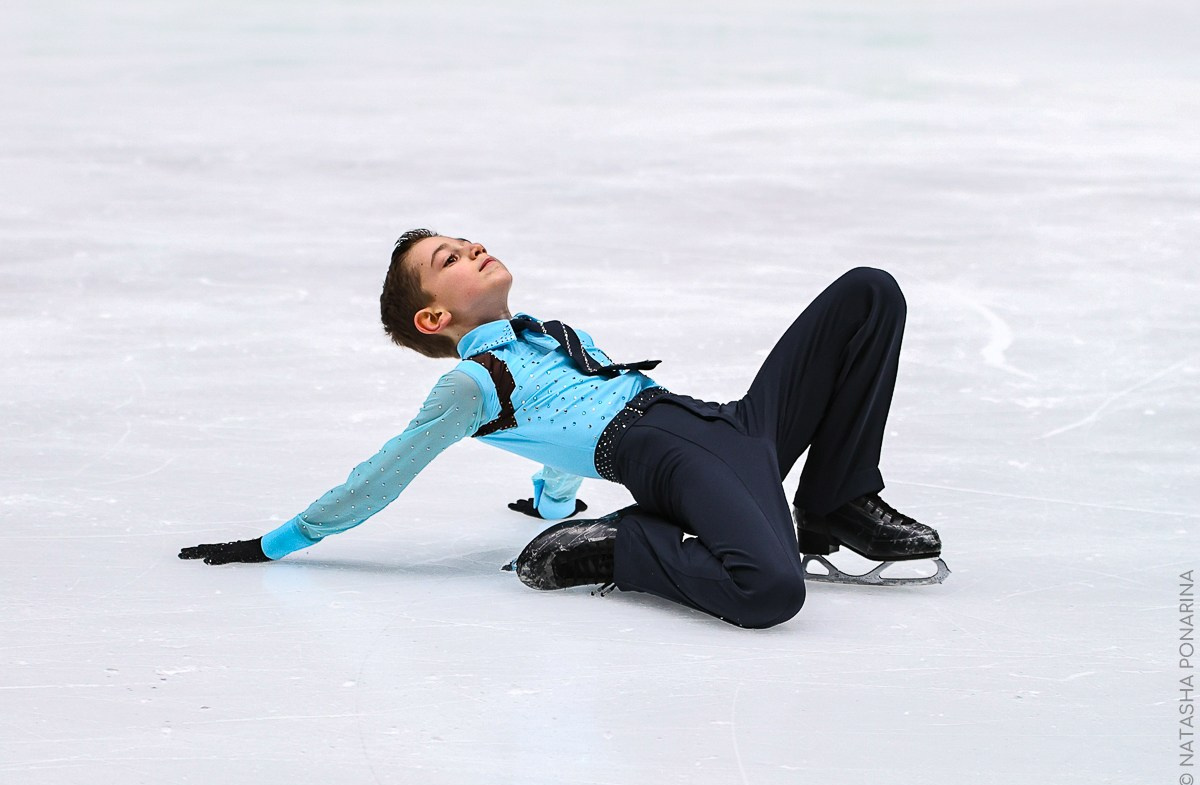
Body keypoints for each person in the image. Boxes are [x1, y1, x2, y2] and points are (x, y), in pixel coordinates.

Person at [179, 228, 942, 629]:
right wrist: (278, 541)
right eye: (450, 257)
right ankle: (625, 544)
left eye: (465, 239)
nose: (473, 247)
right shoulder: (472, 383)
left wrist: (551, 502)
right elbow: (388, 469)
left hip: (733, 426)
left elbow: (561, 435)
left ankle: (837, 498)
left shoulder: (551, 335)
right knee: (770, 593)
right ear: (434, 317)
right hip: (675, 464)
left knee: (868, 293)